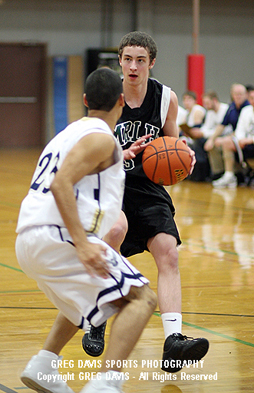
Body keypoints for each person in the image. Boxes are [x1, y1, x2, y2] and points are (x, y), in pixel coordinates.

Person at [15, 68, 157, 393]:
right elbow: (61, 182)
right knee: (141, 299)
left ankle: (45, 364)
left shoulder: (70, 133)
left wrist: (123, 155)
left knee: (86, 301)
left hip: (30, 240)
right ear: (122, 100)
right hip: (60, 235)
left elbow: (84, 166)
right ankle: (105, 385)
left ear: (84, 101)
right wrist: (81, 243)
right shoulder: (100, 139)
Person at [83, 31, 209, 373]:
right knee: (112, 240)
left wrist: (184, 156)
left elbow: (172, 138)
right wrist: (119, 153)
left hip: (149, 186)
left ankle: (174, 341)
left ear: (151, 63)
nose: (133, 66)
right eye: (128, 59)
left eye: (141, 60)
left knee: (168, 251)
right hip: (111, 182)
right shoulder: (109, 95)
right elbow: (90, 145)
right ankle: (97, 317)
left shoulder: (165, 97)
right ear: (120, 61)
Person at [204, 83, 249, 188]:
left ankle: (235, 175)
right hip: (234, 137)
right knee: (213, 143)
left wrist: (226, 138)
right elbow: (222, 125)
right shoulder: (231, 107)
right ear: (232, 95)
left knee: (225, 142)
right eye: (236, 94)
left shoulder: (247, 108)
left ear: (246, 95)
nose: (238, 96)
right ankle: (219, 174)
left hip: (244, 138)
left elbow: (243, 129)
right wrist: (211, 139)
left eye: (241, 94)